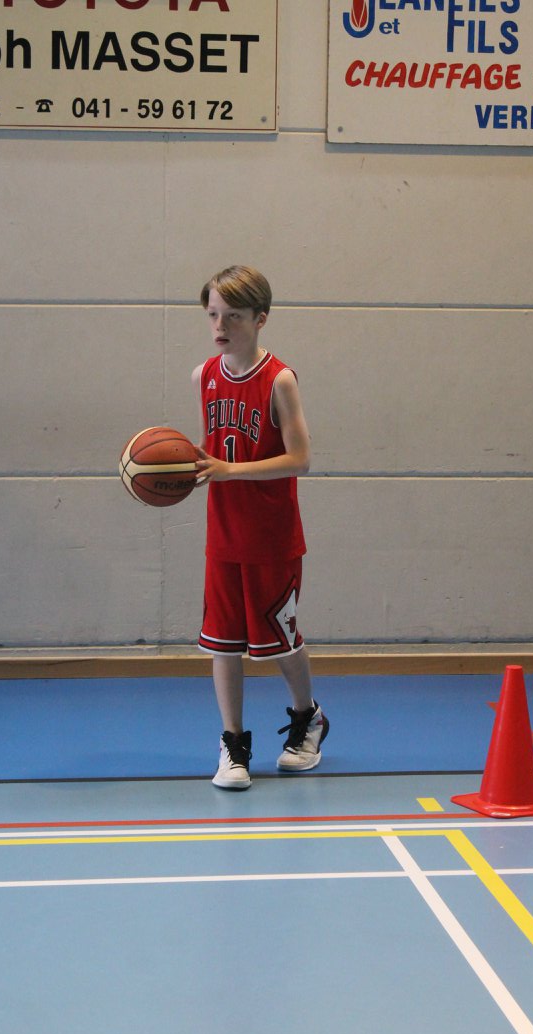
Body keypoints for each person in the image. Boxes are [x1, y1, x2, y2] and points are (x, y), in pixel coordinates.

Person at [192, 265, 329, 790]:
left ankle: (307, 717)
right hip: (224, 534)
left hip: (272, 537)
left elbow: (300, 459)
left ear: (260, 318)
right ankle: (233, 745)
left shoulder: (279, 380)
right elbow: (210, 450)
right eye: (213, 315)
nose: (220, 326)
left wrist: (230, 470)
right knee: (223, 644)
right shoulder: (204, 376)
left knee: (281, 641)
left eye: (233, 316)